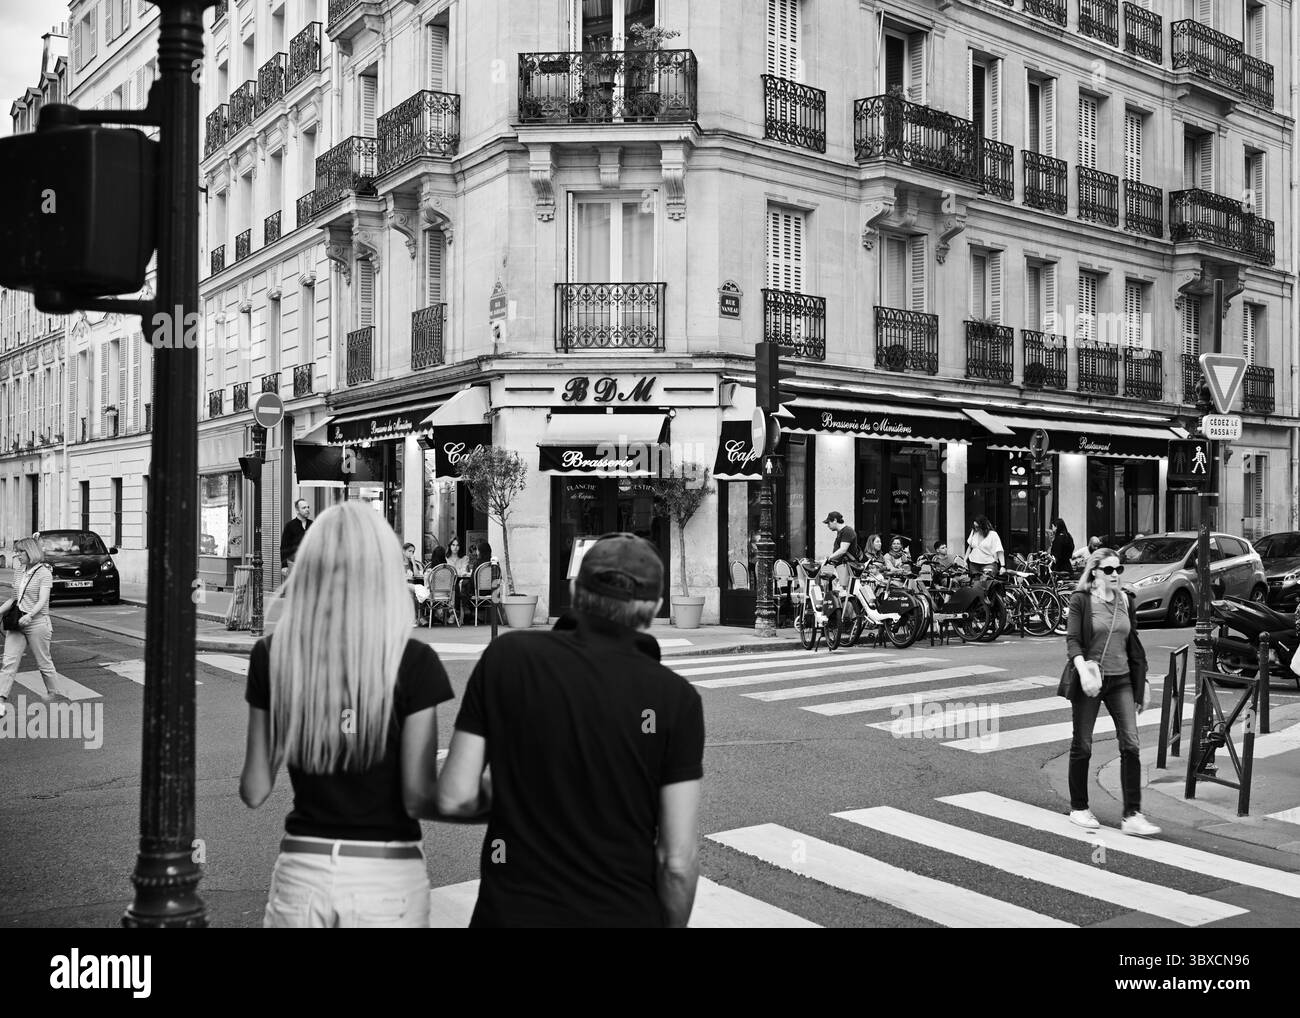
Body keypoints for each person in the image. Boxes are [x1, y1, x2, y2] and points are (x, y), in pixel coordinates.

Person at [437, 532, 704, 927]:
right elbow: (678, 861)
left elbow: (455, 796)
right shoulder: (676, 699)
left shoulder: (508, 658)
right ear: (655, 608)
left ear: (577, 589)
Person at [239, 502, 454, 927]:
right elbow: (417, 795)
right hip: (388, 876)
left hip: (302, 872)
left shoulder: (273, 654)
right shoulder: (412, 661)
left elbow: (254, 789)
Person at [1059, 549, 1159, 838]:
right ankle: (1079, 807)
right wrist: (1082, 670)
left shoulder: (1126, 600)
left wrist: (1144, 683)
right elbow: (1073, 641)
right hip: (1091, 679)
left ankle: (1132, 815)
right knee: (1084, 744)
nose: (1116, 574)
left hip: (1122, 680)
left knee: (1131, 743)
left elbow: (1133, 645)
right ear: (1095, 572)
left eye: (1119, 569)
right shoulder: (1081, 601)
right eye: (1109, 569)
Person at [0, 536, 66, 717]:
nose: (17, 555)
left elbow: (43, 599)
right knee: (9, 662)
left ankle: (54, 696)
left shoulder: (44, 573)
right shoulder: (19, 571)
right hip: (17, 622)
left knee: (44, 663)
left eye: (21, 551)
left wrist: (30, 615)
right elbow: (14, 599)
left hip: (37, 622)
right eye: (17, 551)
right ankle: (1, 701)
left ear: (31, 552)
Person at [822, 512, 860, 589]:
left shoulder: (847, 531)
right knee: (820, 572)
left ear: (835, 520)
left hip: (844, 566)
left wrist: (829, 558)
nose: (827, 526)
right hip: (838, 565)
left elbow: (843, 550)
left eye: (828, 523)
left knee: (843, 590)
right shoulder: (841, 532)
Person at [280, 498, 313, 578]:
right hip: (294, 564)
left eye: (308, 507)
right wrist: (284, 565)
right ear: (297, 510)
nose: (307, 510)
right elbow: (284, 547)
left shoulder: (313, 524)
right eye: (304, 508)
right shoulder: (290, 526)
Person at [403, 543, 430, 626]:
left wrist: (414, 563)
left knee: (418, 592)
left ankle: (418, 618)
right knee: (415, 592)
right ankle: (418, 618)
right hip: (402, 585)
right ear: (403, 551)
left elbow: (417, 574)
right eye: (409, 551)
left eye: (413, 551)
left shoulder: (412, 563)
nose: (412, 553)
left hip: (412, 585)